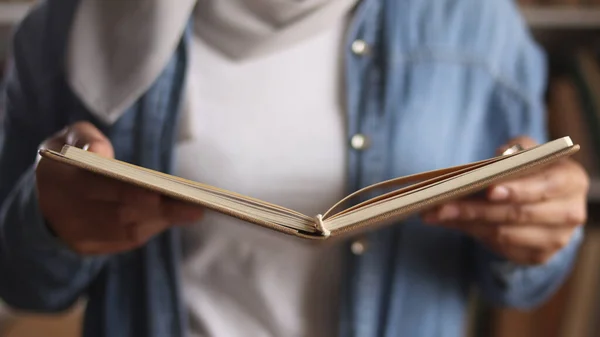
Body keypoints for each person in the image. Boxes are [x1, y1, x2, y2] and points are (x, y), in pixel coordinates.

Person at [0, 0, 590, 336]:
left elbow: (518, 271)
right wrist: (48, 222)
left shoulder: (477, 26)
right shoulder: (66, 28)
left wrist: (538, 234)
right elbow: (19, 280)